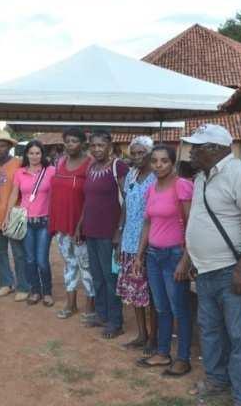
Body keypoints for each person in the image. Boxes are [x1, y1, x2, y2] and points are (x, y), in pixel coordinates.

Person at [183, 124, 241, 406]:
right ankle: (217, 382)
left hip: (231, 271)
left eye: (197, 147)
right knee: (210, 332)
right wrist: (194, 258)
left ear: (216, 149)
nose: (192, 152)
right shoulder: (202, 178)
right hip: (206, 271)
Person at [134, 145, 193, 377]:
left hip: (174, 256)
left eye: (164, 161)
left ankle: (183, 358)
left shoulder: (183, 186)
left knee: (179, 309)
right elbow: (147, 223)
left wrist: (186, 260)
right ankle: (162, 352)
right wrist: (140, 255)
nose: (158, 165)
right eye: (155, 161)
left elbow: (191, 224)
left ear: (173, 162)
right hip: (154, 256)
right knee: (161, 307)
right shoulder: (152, 188)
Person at [77, 130, 129, 339]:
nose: (97, 149)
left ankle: (116, 322)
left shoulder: (118, 167)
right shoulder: (91, 167)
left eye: (101, 145)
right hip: (91, 230)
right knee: (97, 276)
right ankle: (101, 314)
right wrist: (80, 225)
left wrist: (119, 231)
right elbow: (87, 200)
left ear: (109, 146)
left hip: (109, 232)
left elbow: (127, 200)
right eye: (93, 146)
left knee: (110, 277)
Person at [116, 136, 158, 353]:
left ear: (150, 154)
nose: (137, 157)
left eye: (142, 153)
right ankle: (142, 335)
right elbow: (125, 206)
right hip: (129, 241)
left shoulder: (156, 178)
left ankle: (154, 338)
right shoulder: (131, 174)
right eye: (134, 153)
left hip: (149, 242)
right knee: (134, 291)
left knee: (150, 293)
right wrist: (119, 232)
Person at [48, 127, 95, 319]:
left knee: (85, 265)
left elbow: (91, 198)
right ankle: (71, 304)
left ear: (83, 143)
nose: (70, 144)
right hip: (62, 224)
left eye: (74, 141)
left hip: (81, 226)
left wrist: (80, 225)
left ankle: (90, 307)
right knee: (69, 265)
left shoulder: (90, 164)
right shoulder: (60, 163)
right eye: (67, 141)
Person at [5, 140, 56, 306]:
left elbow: (57, 195)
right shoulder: (20, 173)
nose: (34, 156)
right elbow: (14, 195)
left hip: (44, 221)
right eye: (31, 153)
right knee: (29, 259)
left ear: (43, 154)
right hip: (25, 221)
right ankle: (35, 291)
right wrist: (7, 215)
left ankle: (47, 292)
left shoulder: (51, 171)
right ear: (26, 154)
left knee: (41, 260)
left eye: (38, 153)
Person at [0, 129, 30, 301]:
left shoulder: (19, 164)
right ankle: (6, 283)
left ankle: (23, 286)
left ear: (9, 146)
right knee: (1, 251)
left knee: (18, 252)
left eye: (4, 145)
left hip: (14, 214)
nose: (0, 149)